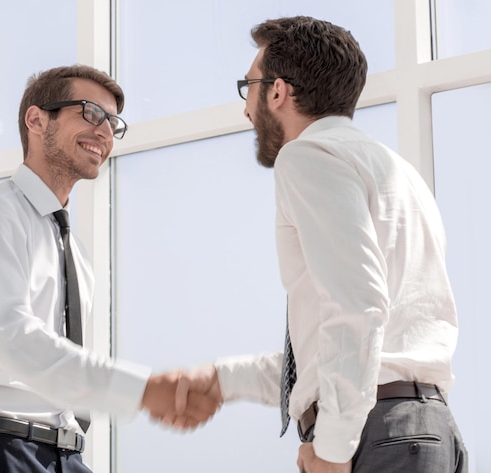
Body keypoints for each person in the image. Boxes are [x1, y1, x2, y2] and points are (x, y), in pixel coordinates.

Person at [176, 16, 468, 473]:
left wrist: (332, 448)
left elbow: (358, 308)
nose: (246, 110)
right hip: (427, 429)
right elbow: (333, 349)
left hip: (378, 433)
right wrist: (222, 380)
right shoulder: (397, 173)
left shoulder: (308, 155)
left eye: (248, 86)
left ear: (277, 91)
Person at [0, 64, 220, 473]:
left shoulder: (74, 250)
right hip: (0, 450)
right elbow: (9, 336)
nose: (105, 132)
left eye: (113, 123)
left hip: (65, 455)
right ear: (37, 119)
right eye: (90, 112)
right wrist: (141, 389)